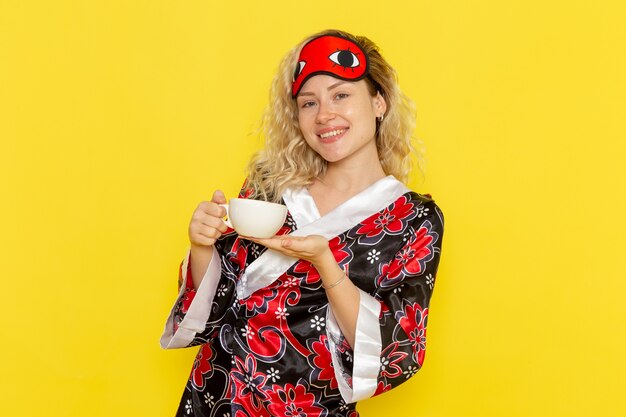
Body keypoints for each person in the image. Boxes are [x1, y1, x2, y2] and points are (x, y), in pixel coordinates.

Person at [161, 29, 444, 417]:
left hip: (308, 408)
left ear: (379, 102)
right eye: (309, 103)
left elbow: (396, 347)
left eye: (340, 95)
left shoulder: (413, 220)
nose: (325, 115)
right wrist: (201, 245)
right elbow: (218, 301)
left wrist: (326, 262)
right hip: (215, 396)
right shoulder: (270, 184)